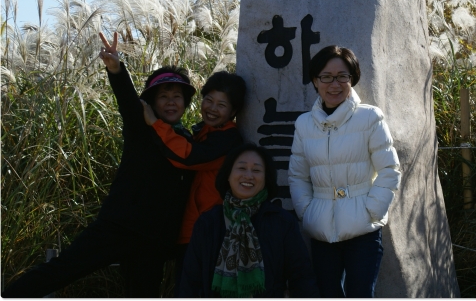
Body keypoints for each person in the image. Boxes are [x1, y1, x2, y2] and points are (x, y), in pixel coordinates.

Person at [2, 31, 219, 297]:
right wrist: (116, 69)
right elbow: (128, 101)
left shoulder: (187, 139)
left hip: (154, 240)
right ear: (151, 103)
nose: (171, 101)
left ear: (185, 103)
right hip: (118, 226)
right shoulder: (142, 127)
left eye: (177, 96)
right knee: (62, 269)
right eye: (163, 96)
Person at [288, 45, 401, 298]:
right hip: (321, 230)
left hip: (363, 230)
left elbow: (389, 169)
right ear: (315, 81)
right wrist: (307, 212)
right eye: (326, 77)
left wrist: (372, 210)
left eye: (342, 76)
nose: (334, 84)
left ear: (353, 78)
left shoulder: (370, 117)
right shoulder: (304, 124)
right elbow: (298, 175)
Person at [141, 71, 245, 294]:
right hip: (192, 230)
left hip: (209, 231)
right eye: (209, 100)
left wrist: (156, 124)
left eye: (221, 105)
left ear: (234, 112)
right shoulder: (203, 132)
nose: (212, 109)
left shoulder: (228, 140)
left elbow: (187, 157)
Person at [178, 143, 320, 298]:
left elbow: (302, 278)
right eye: (241, 168)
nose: (248, 175)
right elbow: (190, 283)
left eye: (256, 170)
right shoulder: (208, 223)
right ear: (228, 175)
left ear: (266, 178)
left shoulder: (282, 223)